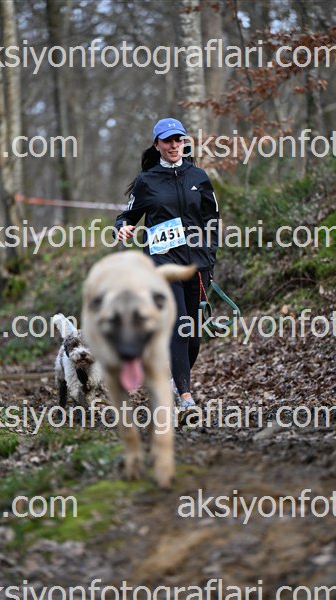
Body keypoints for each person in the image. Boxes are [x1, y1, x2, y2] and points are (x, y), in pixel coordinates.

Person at [114, 117, 219, 410]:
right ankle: (186, 396)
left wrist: (209, 257)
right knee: (179, 325)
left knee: (194, 335)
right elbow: (127, 216)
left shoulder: (198, 177)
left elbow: (212, 220)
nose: (174, 145)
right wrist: (121, 227)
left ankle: (174, 380)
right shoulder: (147, 181)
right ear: (157, 144)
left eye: (178, 140)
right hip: (164, 264)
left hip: (197, 265)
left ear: (184, 142)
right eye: (168, 141)